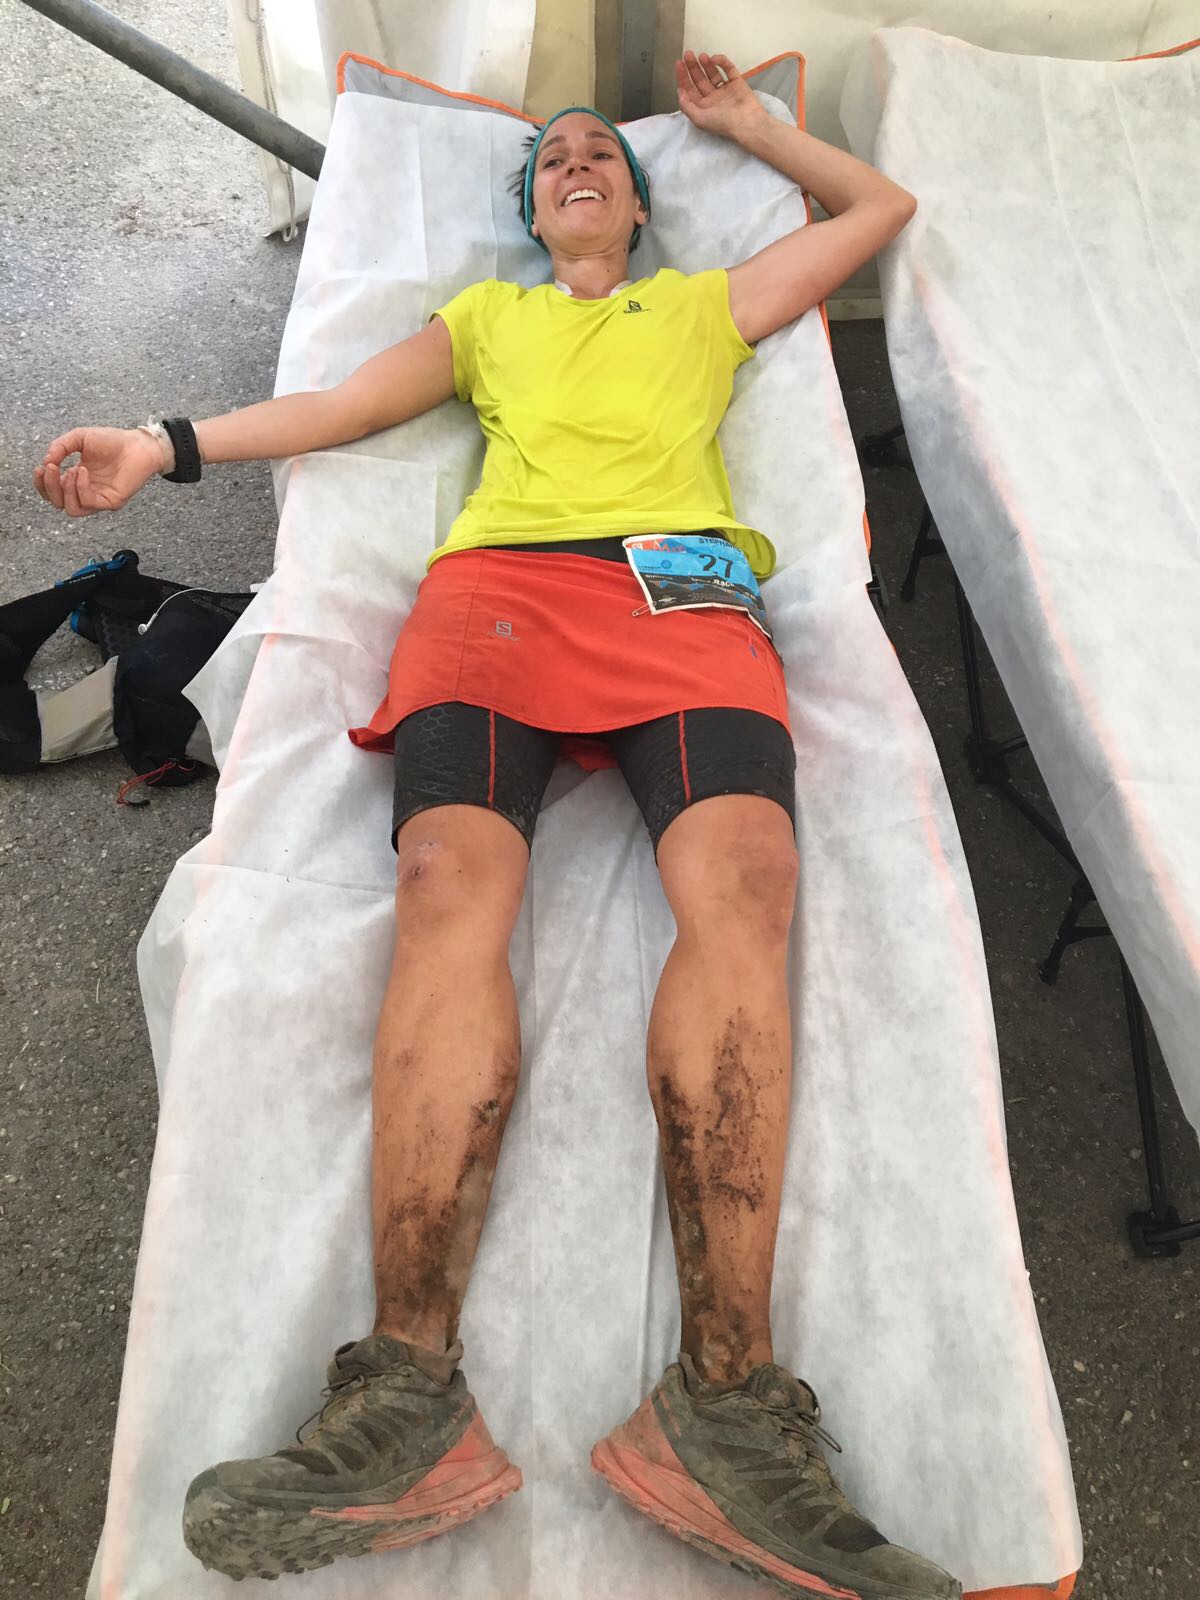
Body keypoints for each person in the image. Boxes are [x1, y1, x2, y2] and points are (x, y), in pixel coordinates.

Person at [34, 49, 956, 1600]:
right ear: (531, 215)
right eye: (552, 162)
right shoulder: (487, 321)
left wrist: (743, 126)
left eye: (603, 154)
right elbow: (338, 406)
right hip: (499, 599)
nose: (577, 161)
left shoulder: (704, 306)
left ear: (641, 208)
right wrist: (161, 443)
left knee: (748, 881)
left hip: (683, 595)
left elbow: (878, 210)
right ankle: (404, 1394)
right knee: (446, 879)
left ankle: (727, 1405)